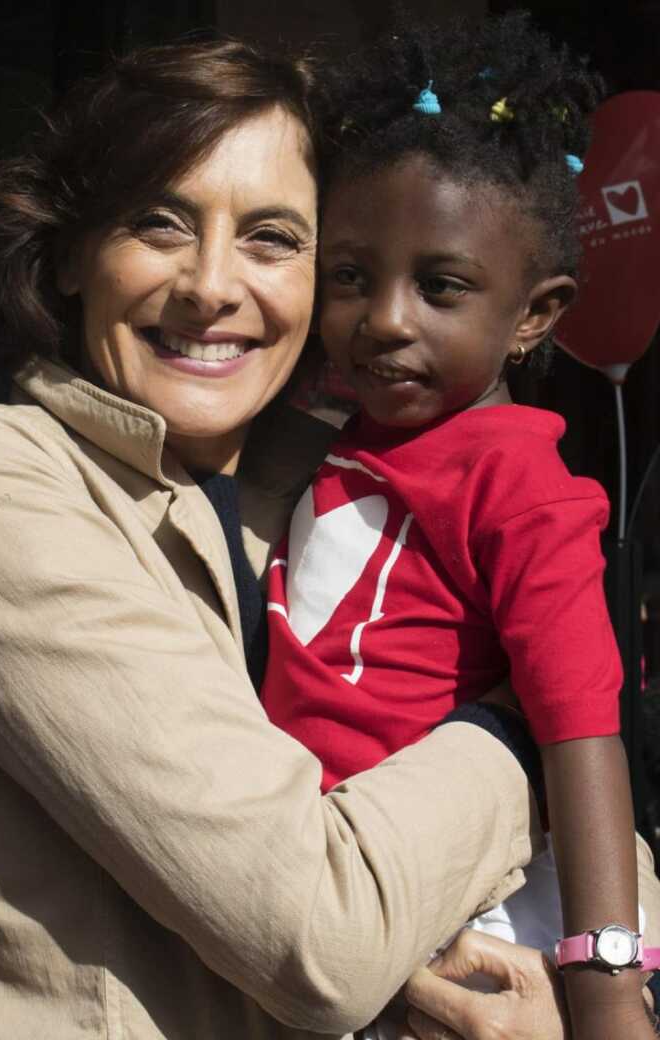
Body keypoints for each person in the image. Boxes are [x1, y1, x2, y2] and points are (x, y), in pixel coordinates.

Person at [0, 33, 656, 1040]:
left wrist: (573, 997)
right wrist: (515, 719)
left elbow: (617, 862)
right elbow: (322, 940)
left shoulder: (333, 470)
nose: (212, 284)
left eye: (270, 237)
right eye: (159, 222)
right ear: (74, 252)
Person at [261, 12, 660, 1040]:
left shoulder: (523, 485)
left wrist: (610, 988)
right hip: (331, 893)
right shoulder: (348, 432)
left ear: (535, 315)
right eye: (349, 275)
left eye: (441, 287)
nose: (385, 318)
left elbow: (583, 733)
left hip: (469, 918)